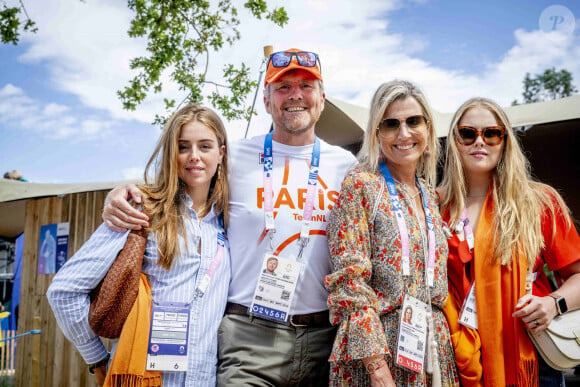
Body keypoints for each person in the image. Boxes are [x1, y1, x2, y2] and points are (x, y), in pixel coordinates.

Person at [101, 48, 357, 386]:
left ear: (321, 99)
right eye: (283, 87)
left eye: (306, 85)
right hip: (249, 338)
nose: (295, 94)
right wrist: (122, 192)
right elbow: (179, 180)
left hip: (324, 337)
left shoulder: (348, 167)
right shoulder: (234, 156)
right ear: (267, 101)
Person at [47, 104, 231, 386]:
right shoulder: (142, 209)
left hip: (204, 379)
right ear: (172, 153)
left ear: (221, 152)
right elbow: (64, 291)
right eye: (183, 147)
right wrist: (96, 357)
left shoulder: (230, 219)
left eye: (204, 146)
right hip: (142, 376)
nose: (194, 156)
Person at [439, 97, 580, 386]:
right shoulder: (434, 205)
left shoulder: (538, 201)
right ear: (454, 140)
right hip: (458, 356)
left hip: (530, 356)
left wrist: (553, 304)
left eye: (491, 133)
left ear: (505, 141)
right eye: (468, 133)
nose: (480, 141)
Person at [325, 80, 459, 386]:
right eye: (390, 124)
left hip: (432, 345)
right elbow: (350, 283)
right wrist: (376, 367)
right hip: (378, 349)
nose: (403, 133)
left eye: (413, 121)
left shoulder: (429, 195)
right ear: (376, 132)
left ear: (427, 127)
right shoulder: (361, 185)